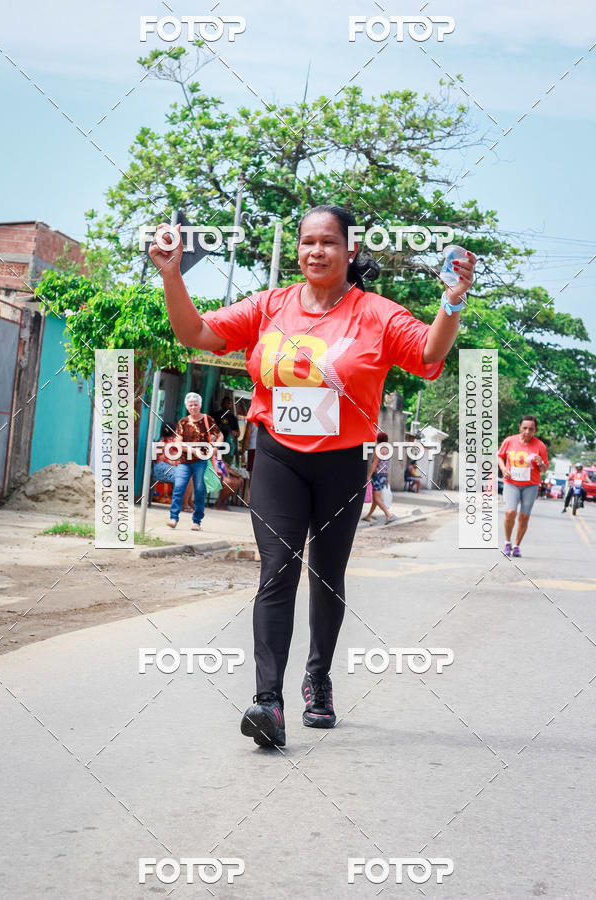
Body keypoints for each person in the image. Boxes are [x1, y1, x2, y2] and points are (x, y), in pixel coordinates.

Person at [150, 204, 476, 748]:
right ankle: (268, 703)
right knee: (277, 569)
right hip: (277, 454)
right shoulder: (269, 305)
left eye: (328, 242)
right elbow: (197, 333)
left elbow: (427, 353)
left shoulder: (374, 312)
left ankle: (318, 678)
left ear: (350, 252)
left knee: (327, 575)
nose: (315, 251)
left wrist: (451, 302)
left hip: (342, 462)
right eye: (307, 242)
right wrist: (171, 275)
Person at [168, 392, 222, 531]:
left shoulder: (207, 419)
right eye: (190, 405)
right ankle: (173, 518)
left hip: (201, 461)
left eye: (195, 404)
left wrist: (215, 448)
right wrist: (193, 451)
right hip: (184, 461)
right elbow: (178, 443)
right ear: (187, 406)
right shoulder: (183, 422)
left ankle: (196, 521)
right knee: (179, 487)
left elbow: (219, 435)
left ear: (200, 405)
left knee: (199, 490)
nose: (193, 407)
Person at [497, 415, 549, 557]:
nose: (527, 431)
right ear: (520, 427)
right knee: (510, 512)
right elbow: (499, 456)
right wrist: (503, 469)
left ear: (535, 430)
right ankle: (507, 543)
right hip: (511, 483)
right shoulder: (509, 441)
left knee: (524, 516)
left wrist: (540, 463)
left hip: (530, 485)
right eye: (524, 428)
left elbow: (544, 469)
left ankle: (517, 546)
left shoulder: (540, 446)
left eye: (531, 429)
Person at [152, 422, 194, 511]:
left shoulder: (160, 441)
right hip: (166, 468)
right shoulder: (174, 442)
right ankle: (185, 504)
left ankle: (188, 502)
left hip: (157, 469)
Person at [362, 431, 397, 524]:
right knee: (376, 498)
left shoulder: (379, 449)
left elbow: (374, 464)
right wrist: (387, 478)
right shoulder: (388, 449)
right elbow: (387, 465)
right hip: (384, 476)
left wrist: (369, 475)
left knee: (377, 498)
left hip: (377, 476)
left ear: (378, 439)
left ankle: (389, 515)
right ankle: (368, 516)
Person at [213, 394, 240, 464]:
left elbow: (238, 433)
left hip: (228, 445)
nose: (227, 405)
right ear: (222, 404)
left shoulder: (233, 418)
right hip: (217, 443)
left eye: (229, 403)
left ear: (231, 405)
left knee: (226, 463)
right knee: (216, 462)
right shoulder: (216, 415)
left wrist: (232, 432)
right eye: (225, 403)